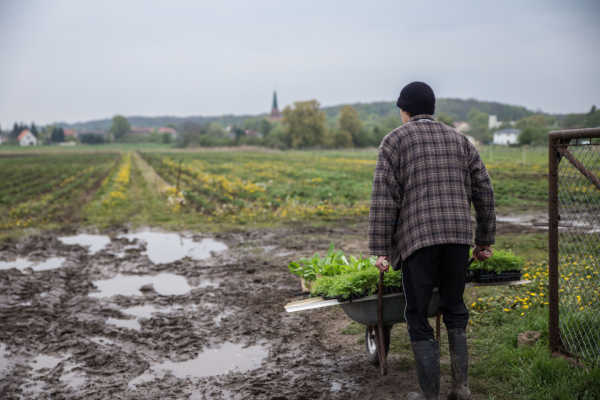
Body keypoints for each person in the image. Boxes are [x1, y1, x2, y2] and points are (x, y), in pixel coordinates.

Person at [368, 81, 495, 400]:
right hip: (457, 238)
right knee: (454, 306)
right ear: (432, 108)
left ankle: (429, 394)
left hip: (418, 239)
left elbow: (384, 199)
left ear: (404, 110)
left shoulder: (394, 141)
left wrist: (380, 250)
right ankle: (461, 388)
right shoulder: (459, 139)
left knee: (417, 312)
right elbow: (484, 190)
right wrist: (483, 241)